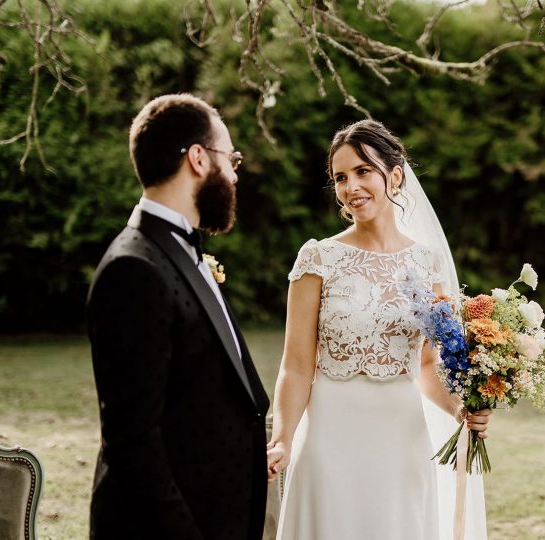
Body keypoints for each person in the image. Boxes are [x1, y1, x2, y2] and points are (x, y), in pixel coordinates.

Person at [266, 120, 491, 540]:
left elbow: (427, 363)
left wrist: (462, 409)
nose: (351, 186)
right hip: (329, 442)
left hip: (402, 445)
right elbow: (295, 367)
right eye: (340, 177)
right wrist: (281, 439)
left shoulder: (428, 264)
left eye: (363, 171)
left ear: (395, 175)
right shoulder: (319, 258)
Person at [86, 93, 270, 539]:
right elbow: (132, 441)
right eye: (232, 159)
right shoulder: (134, 268)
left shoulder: (178, 252)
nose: (234, 173)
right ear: (199, 159)